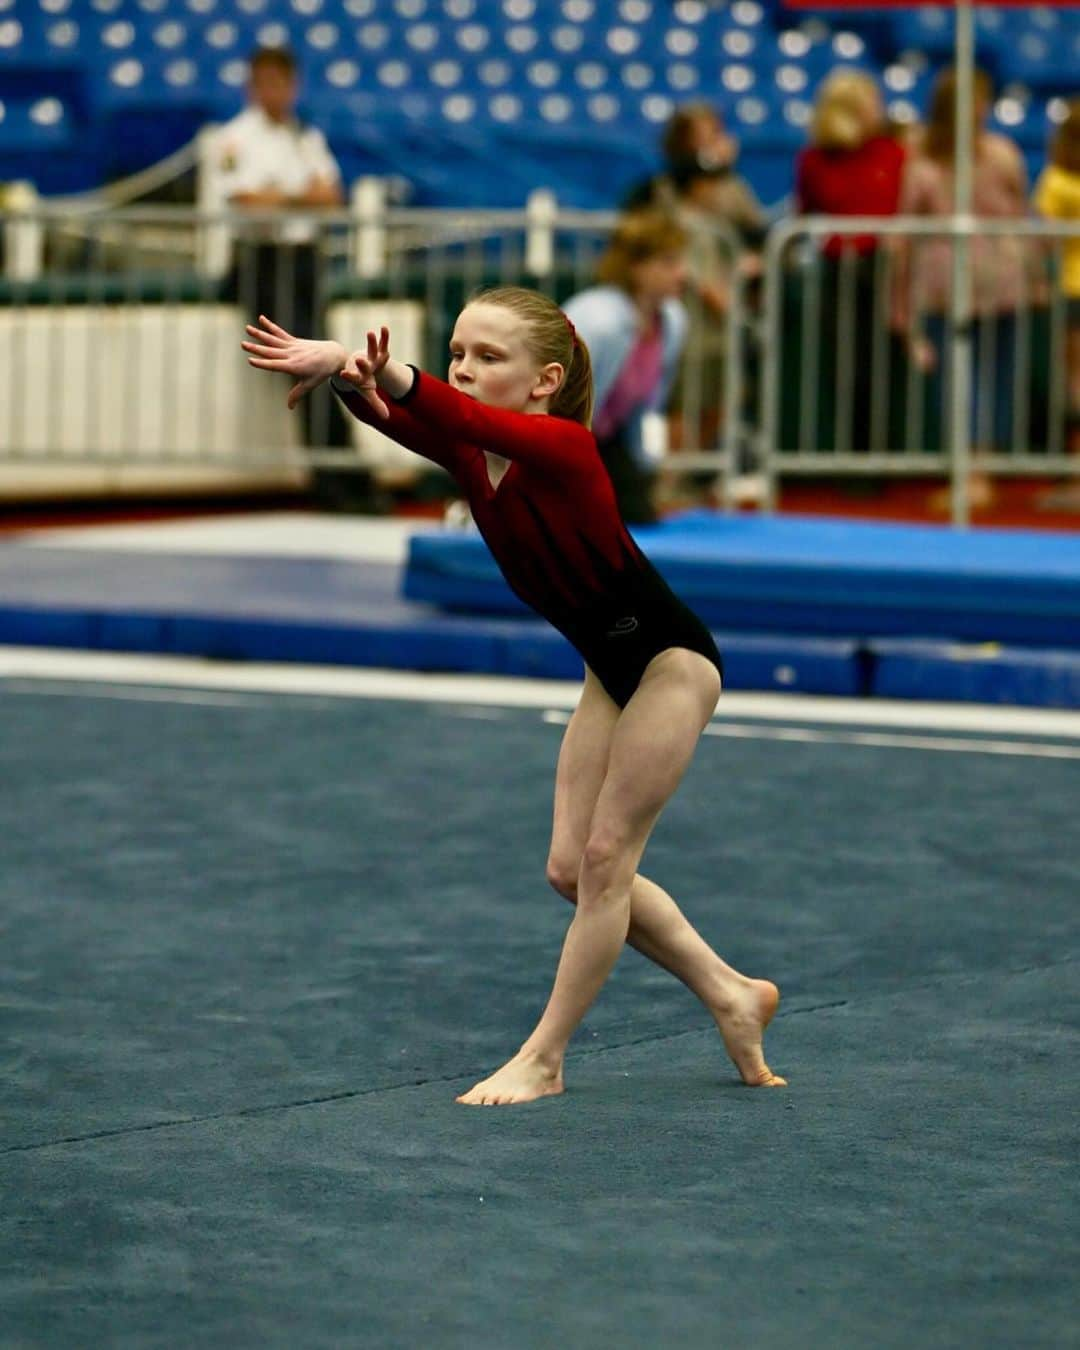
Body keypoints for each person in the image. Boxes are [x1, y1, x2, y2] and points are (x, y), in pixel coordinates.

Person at [240, 287, 786, 1106]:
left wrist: (383, 370)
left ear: (545, 380)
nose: (464, 370)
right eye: (457, 353)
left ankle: (545, 1058)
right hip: (610, 669)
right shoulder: (474, 460)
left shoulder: (566, 448)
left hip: (671, 664)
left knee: (607, 862)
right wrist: (348, 377)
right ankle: (732, 992)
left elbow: (449, 415)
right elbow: (397, 420)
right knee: (570, 868)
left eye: (488, 359)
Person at [212, 47, 368, 502]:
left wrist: (282, 197)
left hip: (302, 259)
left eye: (282, 81)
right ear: (252, 86)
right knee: (310, 364)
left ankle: (345, 475)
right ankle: (333, 480)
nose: (275, 91)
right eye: (265, 82)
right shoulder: (236, 139)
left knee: (327, 360)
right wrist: (301, 197)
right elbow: (245, 202)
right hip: (263, 261)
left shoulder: (306, 138)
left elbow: (332, 197)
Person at [891, 67, 1034, 508]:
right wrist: (900, 304)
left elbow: (1019, 213)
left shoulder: (1001, 153)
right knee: (957, 379)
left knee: (997, 375)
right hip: (945, 286)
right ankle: (969, 469)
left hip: (1001, 281)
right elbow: (906, 230)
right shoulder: (925, 161)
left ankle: (982, 468)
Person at [794, 69, 906, 454]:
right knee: (846, 365)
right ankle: (847, 452)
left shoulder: (892, 152)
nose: (880, 110)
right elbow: (806, 211)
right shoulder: (815, 159)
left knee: (883, 366)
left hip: (885, 269)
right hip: (838, 270)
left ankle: (884, 451)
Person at [561, 211, 690, 523]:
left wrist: (651, 464)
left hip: (606, 439)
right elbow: (550, 399)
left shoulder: (673, 321)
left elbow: (651, 406)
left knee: (639, 514)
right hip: (555, 435)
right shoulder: (596, 321)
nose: (682, 273)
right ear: (637, 268)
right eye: (669, 263)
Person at [1033, 98, 1080, 462]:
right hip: (1071, 289)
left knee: (1075, 382)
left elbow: (1044, 235)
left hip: (1070, 289)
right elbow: (1044, 236)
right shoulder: (1056, 180)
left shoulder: (1056, 180)